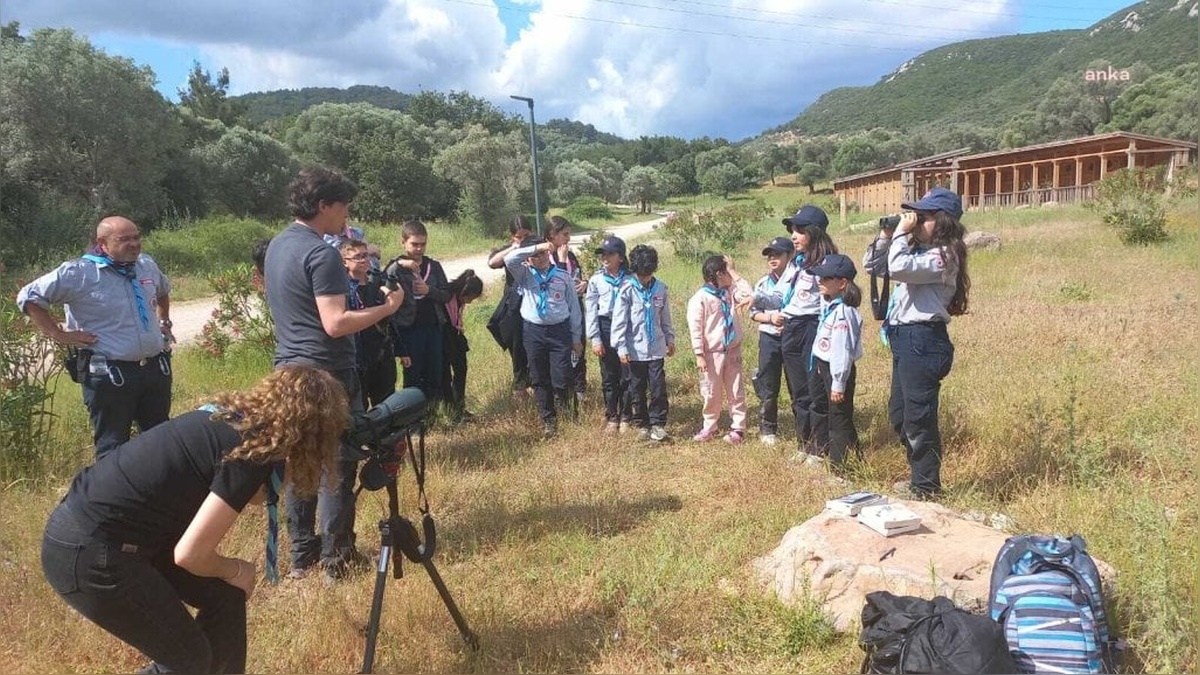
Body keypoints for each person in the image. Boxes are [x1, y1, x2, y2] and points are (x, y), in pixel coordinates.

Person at [41, 366, 350, 674]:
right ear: (312, 433)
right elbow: (191, 553)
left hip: (113, 536)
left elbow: (250, 495)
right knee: (188, 660)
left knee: (224, 597)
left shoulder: (235, 423)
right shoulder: (248, 456)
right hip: (90, 551)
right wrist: (236, 568)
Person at [264, 166, 404, 581]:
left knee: (299, 464)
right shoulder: (321, 252)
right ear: (324, 205)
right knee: (338, 466)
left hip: (288, 370)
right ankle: (336, 557)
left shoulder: (277, 245)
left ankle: (300, 557)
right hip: (327, 374)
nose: (347, 216)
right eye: (343, 207)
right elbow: (336, 322)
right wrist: (387, 308)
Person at [16, 216, 174, 459]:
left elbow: (163, 290)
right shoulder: (79, 272)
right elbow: (29, 297)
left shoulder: (146, 265)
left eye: (136, 237)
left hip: (154, 370)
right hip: (110, 376)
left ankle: (160, 495)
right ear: (103, 243)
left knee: (160, 441)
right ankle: (116, 496)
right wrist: (58, 334)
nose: (134, 244)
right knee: (113, 448)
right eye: (124, 239)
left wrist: (164, 322)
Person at [864, 187, 970, 499]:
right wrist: (887, 235)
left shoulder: (944, 255)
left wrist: (900, 232)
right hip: (906, 339)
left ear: (943, 221)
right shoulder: (919, 251)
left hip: (923, 339)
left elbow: (897, 268)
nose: (915, 221)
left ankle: (927, 487)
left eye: (922, 217)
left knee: (919, 418)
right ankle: (918, 478)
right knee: (900, 414)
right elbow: (873, 266)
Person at [753, 205, 839, 461]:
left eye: (800, 230)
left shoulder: (826, 264)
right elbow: (781, 296)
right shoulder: (797, 264)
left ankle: (820, 448)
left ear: (815, 232)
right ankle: (804, 444)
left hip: (812, 328)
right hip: (791, 328)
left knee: (815, 392)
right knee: (799, 391)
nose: (793, 235)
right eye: (792, 230)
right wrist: (755, 298)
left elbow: (830, 304)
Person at [505, 236, 584, 438]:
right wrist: (537, 247)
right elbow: (509, 259)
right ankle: (548, 419)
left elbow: (574, 308)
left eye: (542, 254)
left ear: (549, 254)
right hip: (533, 331)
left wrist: (576, 338)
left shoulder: (562, 276)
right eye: (534, 255)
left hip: (559, 331)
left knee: (562, 375)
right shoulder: (524, 274)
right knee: (539, 377)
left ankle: (567, 408)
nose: (539, 258)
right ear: (528, 258)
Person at [611, 245, 676, 442]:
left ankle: (657, 423)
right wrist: (621, 347)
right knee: (636, 388)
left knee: (658, 388)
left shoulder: (660, 288)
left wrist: (670, 338)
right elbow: (619, 321)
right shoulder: (627, 290)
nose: (645, 278)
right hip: (635, 350)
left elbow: (665, 318)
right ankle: (642, 423)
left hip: (656, 348)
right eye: (641, 274)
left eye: (648, 274)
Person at [687, 254, 753, 444]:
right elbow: (696, 328)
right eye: (727, 273)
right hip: (711, 353)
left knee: (736, 389)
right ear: (718, 274)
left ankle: (738, 428)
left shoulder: (730, 291)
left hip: (732, 350)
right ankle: (710, 426)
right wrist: (699, 354)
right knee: (711, 391)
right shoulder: (700, 298)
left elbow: (749, 294)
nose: (730, 277)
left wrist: (733, 271)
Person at [808, 254, 865, 472]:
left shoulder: (843, 314)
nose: (819, 281)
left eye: (826, 278)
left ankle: (838, 469)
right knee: (839, 415)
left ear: (842, 283)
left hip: (837, 371)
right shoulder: (832, 305)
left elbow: (842, 351)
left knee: (838, 420)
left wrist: (838, 383)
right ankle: (858, 457)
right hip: (824, 366)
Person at [385, 220, 450, 406]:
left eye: (423, 244)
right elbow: (383, 283)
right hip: (409, 330)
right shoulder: (396, 267)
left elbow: (446, 295)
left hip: (433, 327)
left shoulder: (434, 266)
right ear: (403, 243)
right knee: (413, 376)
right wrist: (399, 263)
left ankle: (431, 414)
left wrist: (429, 291)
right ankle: (412, 418)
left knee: (434, 373)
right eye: (414, 244)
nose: (419, 249)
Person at [748, 237, 795, 446]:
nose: (772, 258)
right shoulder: (762, 283)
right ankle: (768, 429)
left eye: (777, 254)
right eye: (769, 255)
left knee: (796, 383)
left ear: (789, 255)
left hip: (793, 337)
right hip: (769, 337)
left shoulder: (798, 279)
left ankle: (803, 426)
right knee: (768, 383)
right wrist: (770, 318)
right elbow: (753, 313)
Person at [340, 239, 397, 409]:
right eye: (357, 257)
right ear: (344, 262)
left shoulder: (378, 281)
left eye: (366, 255)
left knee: (387, 404)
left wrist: (402, 350)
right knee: (360, 408)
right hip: (358, 358)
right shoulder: (343, 289)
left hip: (382, 354)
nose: (364, 260)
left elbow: (390, 319)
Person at [585, 235, 633, 434]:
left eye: (610, 253)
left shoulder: (630, 279)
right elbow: (591, 310)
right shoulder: (596, 280)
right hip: (605, 327)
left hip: (626, 329)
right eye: (602, 254)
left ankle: (626, 415)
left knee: (627, 375)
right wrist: (595, 338)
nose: (605, 257)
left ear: (620, 257)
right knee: (609, 375)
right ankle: (612, 414)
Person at [487, 215, 535, 401]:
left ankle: (534, 382)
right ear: (512, 237)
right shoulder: (511, 250)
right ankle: (519, 385)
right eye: (519, 237)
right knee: (516, 346)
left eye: (526, 235)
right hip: (515, 304)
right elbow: (492, 263)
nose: (523, 240)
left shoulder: (538, 248)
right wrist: (514, 248)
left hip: (535, 303)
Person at [547, 215, 588, 406]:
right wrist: (561, 262)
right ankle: (562, 393)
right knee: (561, 354)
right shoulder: (544, 258)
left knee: (579, 348)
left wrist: (584, 284)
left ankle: (580, 389)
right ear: (552, 235)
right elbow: (554, 284)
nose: (568, 239)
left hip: (576, 308)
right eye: (565, 234)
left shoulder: (570, 255)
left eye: (569, 234)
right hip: (557, 313)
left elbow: (578, 276)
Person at [442, 269, 484, 424]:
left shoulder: (460, 299)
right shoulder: (446, 296)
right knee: (445, 375)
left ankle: (459, 407)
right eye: (471, 297)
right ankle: (451, 411)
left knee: (461, 370)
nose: (471, 301)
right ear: (465, 292)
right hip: (444, 338)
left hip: (457, 336)